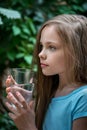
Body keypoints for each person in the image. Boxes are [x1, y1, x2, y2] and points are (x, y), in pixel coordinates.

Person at [5, 14, 87, 130]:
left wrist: (28, 127)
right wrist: (25, 106)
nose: (40, 54)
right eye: (41, 46)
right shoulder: (50, 91)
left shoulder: (83, 98)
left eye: (52, 47)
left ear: (77, 52)